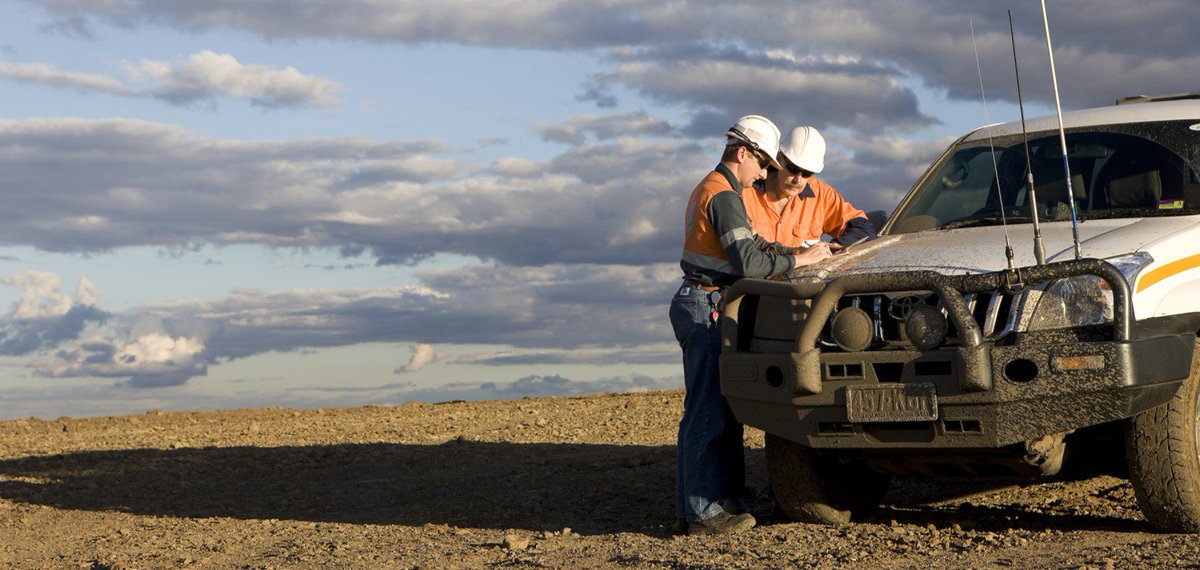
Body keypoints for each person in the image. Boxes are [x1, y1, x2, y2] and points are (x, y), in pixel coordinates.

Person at [671, 115, 832, 536]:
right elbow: (752, 263)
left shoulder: (716, 188)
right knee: (707, 414)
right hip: (705, 305)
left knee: (712, 412)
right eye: (761, 162)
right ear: (742, 153)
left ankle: (712, 504)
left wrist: (797, 250)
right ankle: (703, 516)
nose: (766, 172)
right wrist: (801, 261)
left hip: (703, 302)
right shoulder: (724, 195)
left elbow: (757, 247)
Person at [743, 126, 875, 250]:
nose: (798, 180)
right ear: (779, 158)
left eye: (807, 173)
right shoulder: (745, 188)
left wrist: (835, 247)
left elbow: (863, 229)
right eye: (793, 169)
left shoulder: (822, 195)